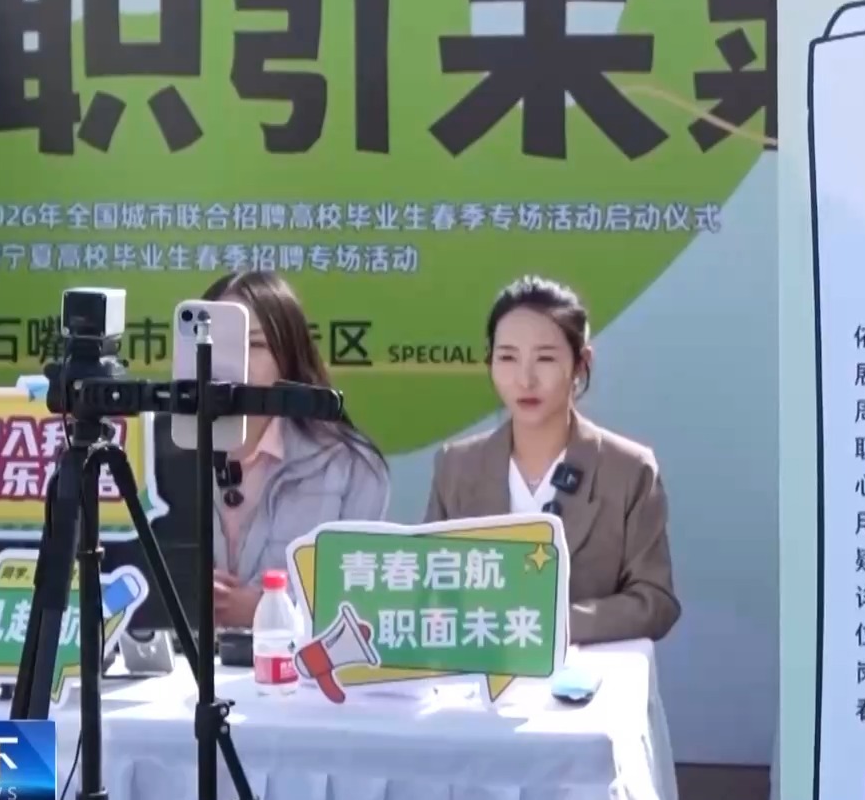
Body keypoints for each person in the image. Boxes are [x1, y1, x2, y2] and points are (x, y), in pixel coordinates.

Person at [423, 276, 680, 645]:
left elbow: (654, 601)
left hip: (589, 676)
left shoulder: (627, 470)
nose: (525, 379)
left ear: (580, 363)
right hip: (473, 675)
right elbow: (429, 588)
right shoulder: (457, 467)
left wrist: (550, 623)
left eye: (545, 358)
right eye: (507, 357)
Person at [200, 270, 390, 627]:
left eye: (255, 345)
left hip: (296, 660)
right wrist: (175, 593)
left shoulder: (349, 464)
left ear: (287, 356)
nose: (236, 362)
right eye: (221, 345)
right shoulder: (158, 456)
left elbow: (362, 600)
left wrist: (267, 612)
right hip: (175, 660)